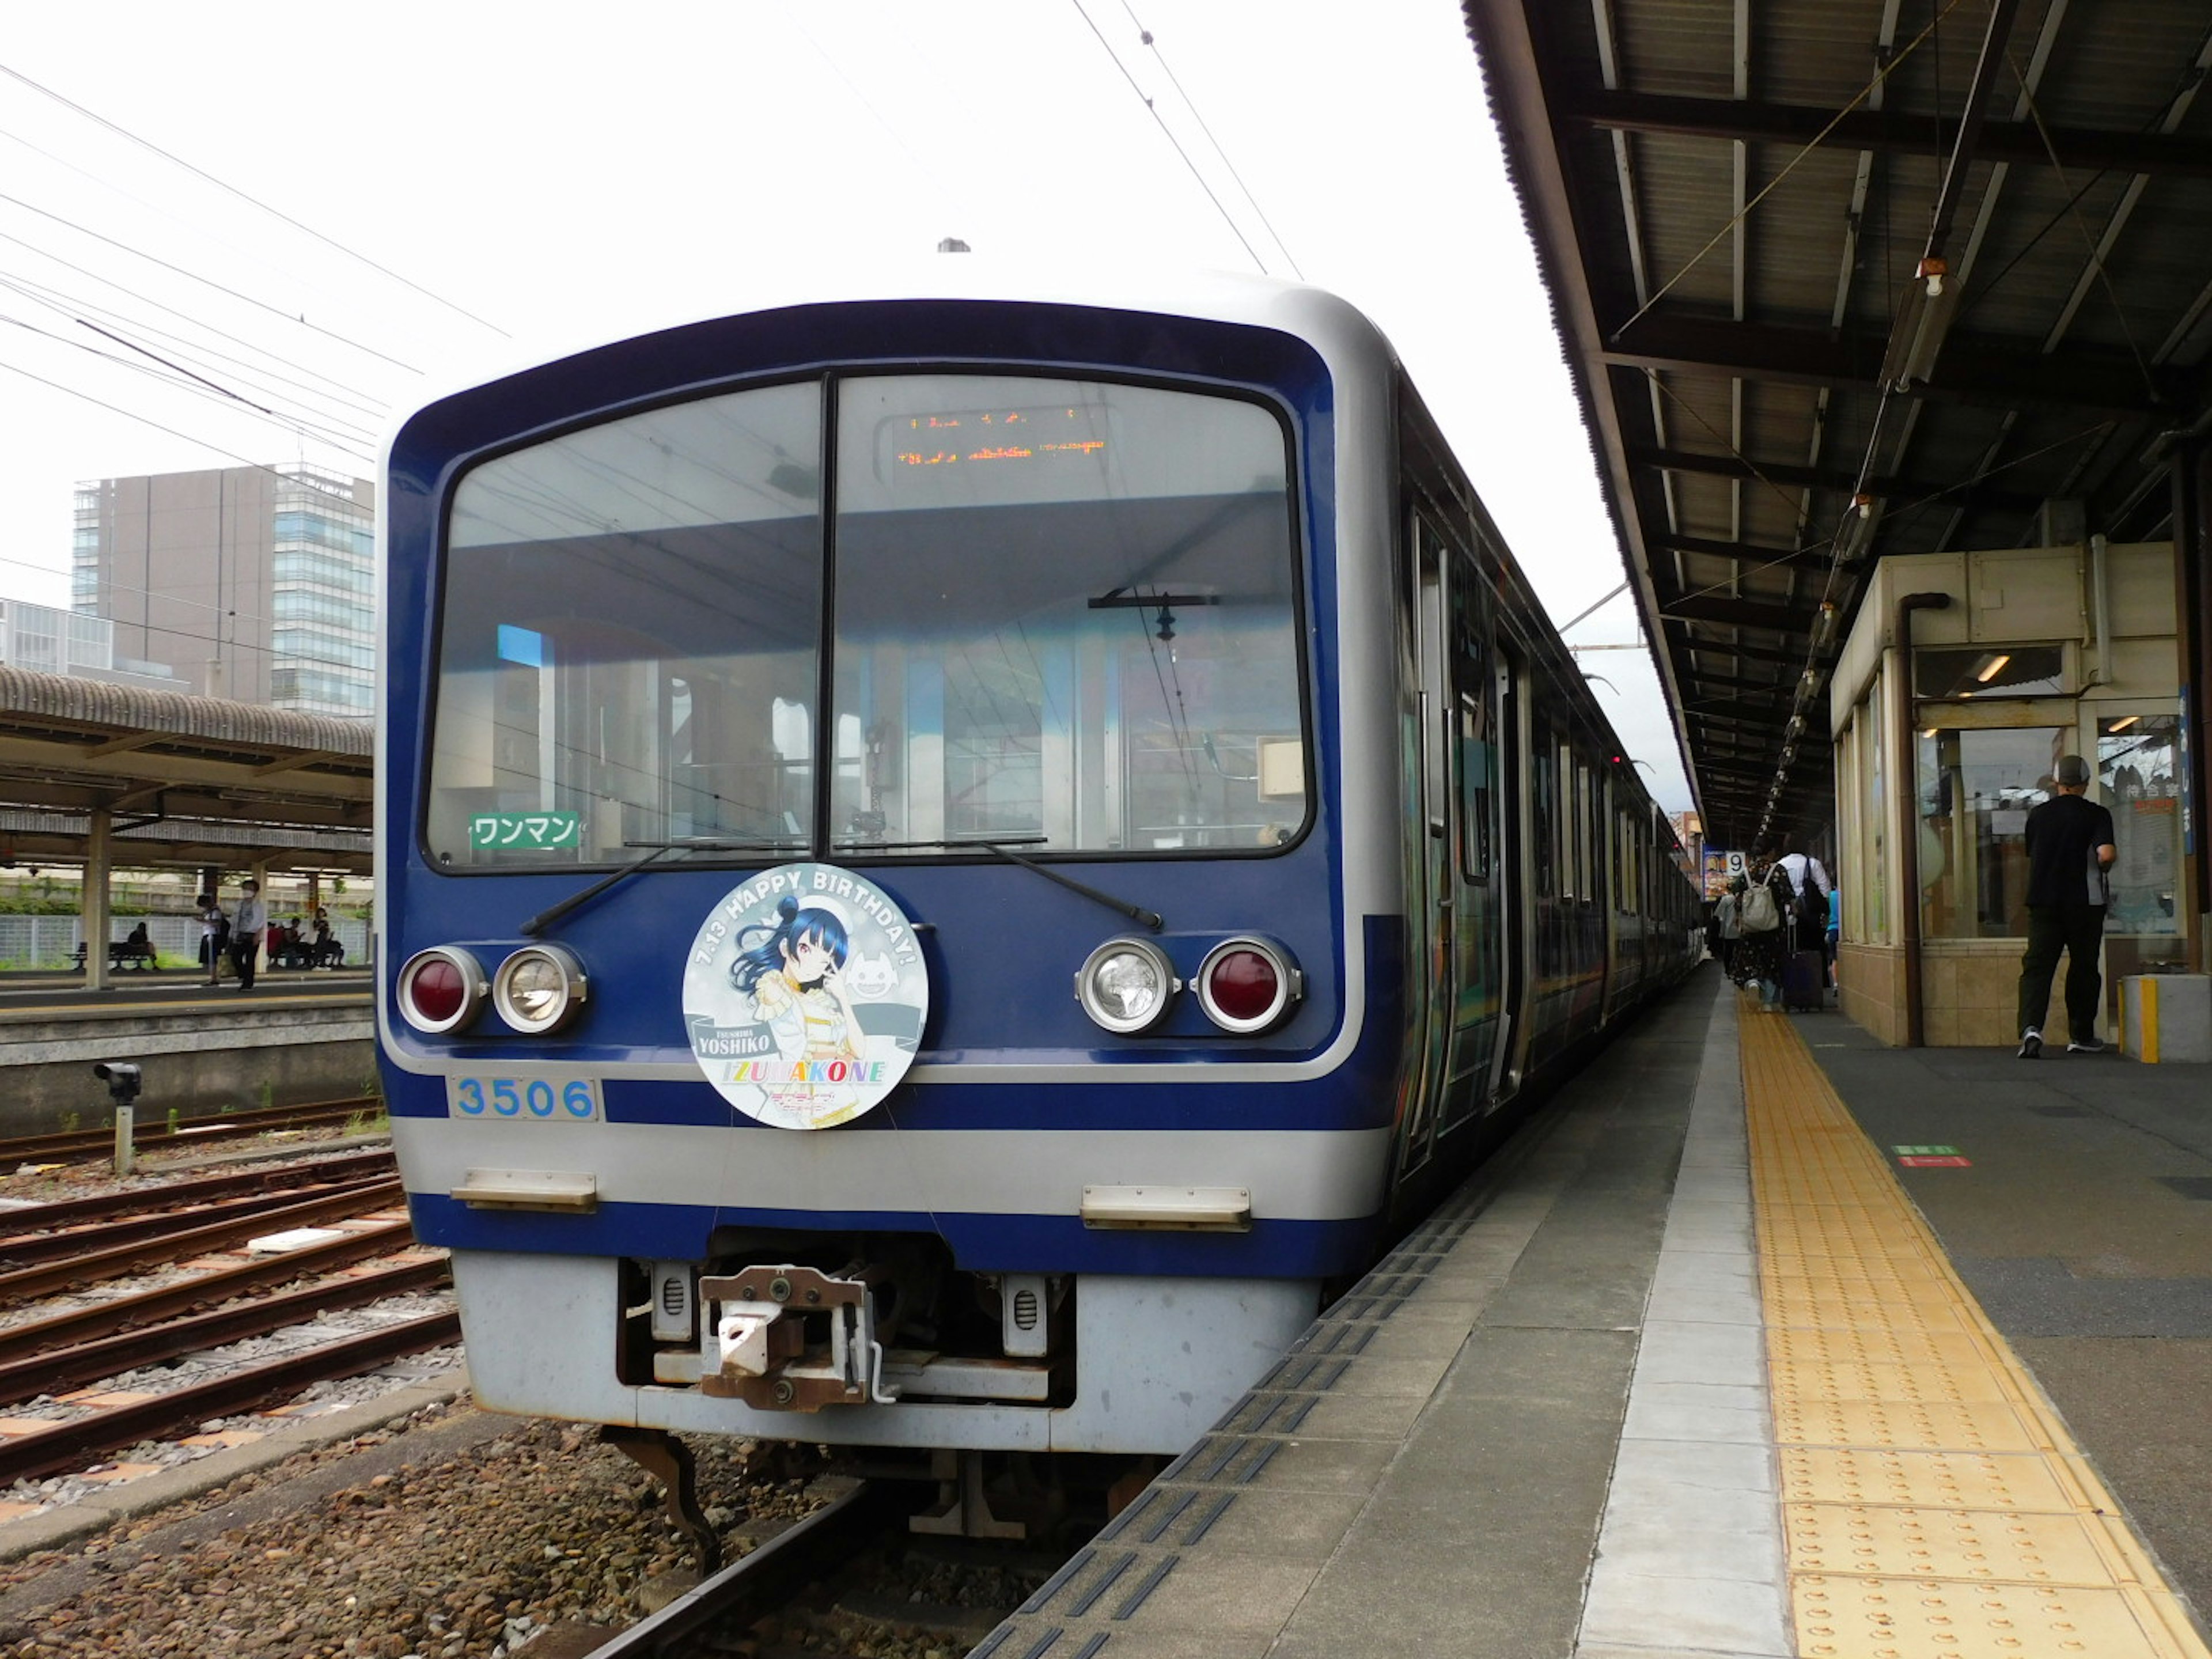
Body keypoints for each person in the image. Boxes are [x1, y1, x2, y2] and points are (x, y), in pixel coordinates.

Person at [2016, 753, 2117, 1058]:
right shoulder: (2097, 814)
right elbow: (2107, 854)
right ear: (2085, 784)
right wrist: (2104, 866)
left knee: (2037, 968)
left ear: (2056, 783)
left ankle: (2031, 1029)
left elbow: (2033, 854)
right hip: (2085, 904)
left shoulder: (2038, 815)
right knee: (2084, 968)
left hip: (2044, 901)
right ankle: (2081, 1035)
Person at [1734, 852, 1791, 1012]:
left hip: (1750, 927)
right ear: (1772, 852)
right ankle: (1769, 1002)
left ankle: (1753, 983)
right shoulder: (1778, 871)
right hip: (1774, 927)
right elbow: (1789, 896)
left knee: (1752, 960)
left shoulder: (1746, 873)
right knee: (1772, 962)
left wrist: (1738, 920)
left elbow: (1738, 900)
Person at [230, 878, 270, 991]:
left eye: (250, 889)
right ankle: (242, 974)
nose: (247, 891)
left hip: (253, 935)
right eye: (245, 888)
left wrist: (258, 935)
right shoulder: (239, 904)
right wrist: (232, 935)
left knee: (250, 960)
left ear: (255, 892)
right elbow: (234, 920)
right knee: (235, 957)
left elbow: (262, 921)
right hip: (239, 934)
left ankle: (247, 984)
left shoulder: (259, 905)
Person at [1716, 878, 1744, 981]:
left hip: (1728, 931)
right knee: (1739, 952)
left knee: (1728, 952)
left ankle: (1729, 971)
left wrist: (1721, 932)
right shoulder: (1743, 898)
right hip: (1741, 930)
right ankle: (1738, 970)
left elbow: (1720, 916)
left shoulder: (1726, 900)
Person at [198, 892, 228, 986]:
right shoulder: (209, 912)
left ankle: (214, 978)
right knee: (210, 958)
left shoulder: (215, 912)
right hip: (209, 935)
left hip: (213, 936)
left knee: (213, 958)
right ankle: (213, 977)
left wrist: (204, 921)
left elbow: (217, 923)